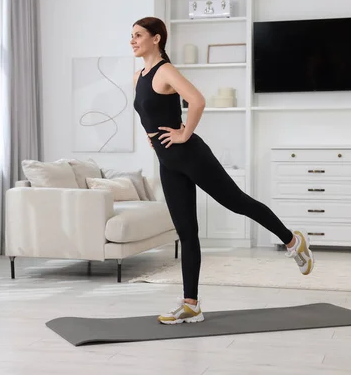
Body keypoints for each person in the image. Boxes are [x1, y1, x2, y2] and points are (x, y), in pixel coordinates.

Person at [131, 16, 315, 325]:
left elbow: (197, 101)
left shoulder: (166, 70)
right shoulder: (139, 75)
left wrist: (184, 134)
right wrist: (153, 140)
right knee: (187, 233)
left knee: (238, 202)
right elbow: (148, 113)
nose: (133, 40)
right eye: (131, 36)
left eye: (138, 35)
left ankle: (292, 241)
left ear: (156, 38)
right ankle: (191, 304)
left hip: (190, 155)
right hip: (168, 162)